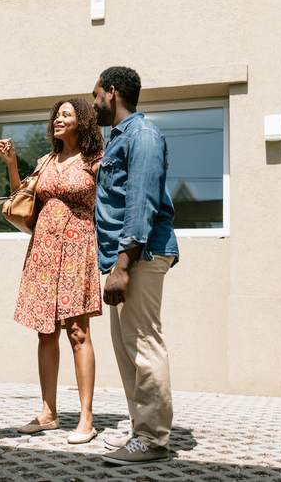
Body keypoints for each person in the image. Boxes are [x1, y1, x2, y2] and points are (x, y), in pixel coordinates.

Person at [0, 98, 104, 444]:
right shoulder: (45, 161)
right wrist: (12, 164)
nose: (58, 119)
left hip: (77, 245)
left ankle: (86, 417)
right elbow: (21, 198)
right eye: (56, 115)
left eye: (66, 115)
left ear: (81, 122)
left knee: (78, 332)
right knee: (45, 332)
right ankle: (48, 413)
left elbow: (111, 200)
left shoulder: (95, 161)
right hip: (43, 248)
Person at [91, 66, 180, 465]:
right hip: (122, 257)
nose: (93, 104)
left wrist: (124, 264)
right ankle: (141, 431)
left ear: (112, 93)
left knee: (144, 343)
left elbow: (141, 202)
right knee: (129, 347)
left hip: (139, 255)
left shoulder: (143, 135)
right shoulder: (119, 139)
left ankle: (152, 439)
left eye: (96, 95)